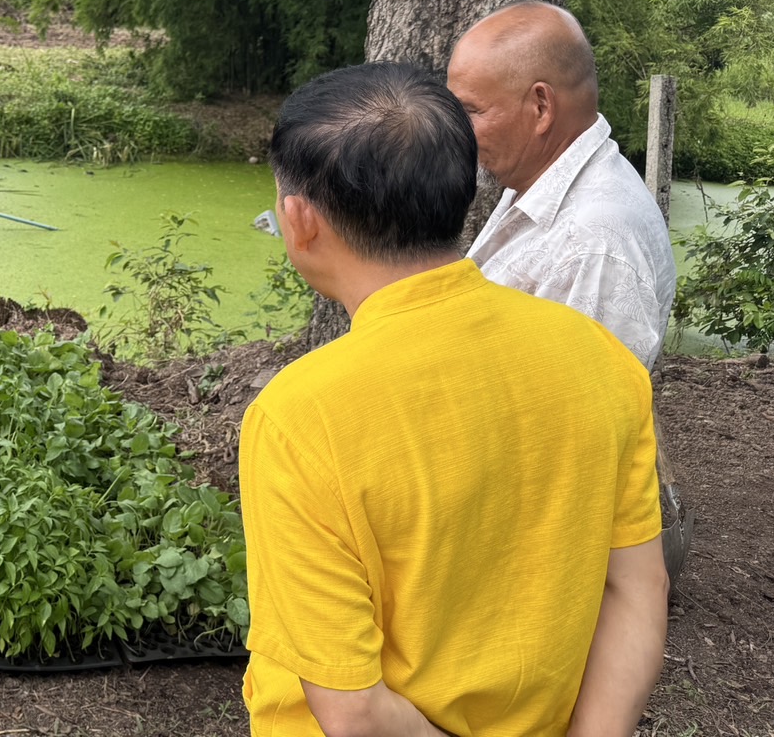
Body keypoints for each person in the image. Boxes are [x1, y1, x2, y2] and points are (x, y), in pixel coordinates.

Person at [242, 62, 668, 737]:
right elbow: (637, 590)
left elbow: (352, 711)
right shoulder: (600, 360)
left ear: (300, 222)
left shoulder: (303, 415)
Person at [446, 0, 691, 579]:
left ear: (539, 106)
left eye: (471, 111)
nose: (456, 132)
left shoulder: (594, 242)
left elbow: (575, 450)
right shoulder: (542, 180)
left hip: (564, 557)